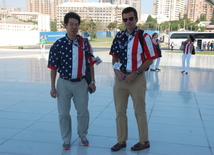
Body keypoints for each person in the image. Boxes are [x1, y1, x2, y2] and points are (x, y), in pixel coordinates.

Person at [109, 7, 158, 152]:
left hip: (136, 78)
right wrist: (117, 72)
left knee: (139, 111)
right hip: (121, 79)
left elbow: (151, 59)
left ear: (136, 19)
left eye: (131, 18)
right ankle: (121, 140)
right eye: (125, 19)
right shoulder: (119, 36)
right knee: (119, 111)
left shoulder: (144, 37)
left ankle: (144, 141)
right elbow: (114, 57)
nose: (128, 21)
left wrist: (135, 72)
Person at [47, 12, 97, 150]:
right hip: (63, 83)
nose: (74, 27)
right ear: (65, 26)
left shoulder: (85, 43)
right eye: (71, 24)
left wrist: (92, 81)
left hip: (81, 83)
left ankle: (82, 135)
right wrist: (53, 87)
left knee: (83, 112)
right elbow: (53, 67)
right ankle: (66, 138)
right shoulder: (58, 45)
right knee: (63, 113)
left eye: (76, 24)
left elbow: (91, 63)